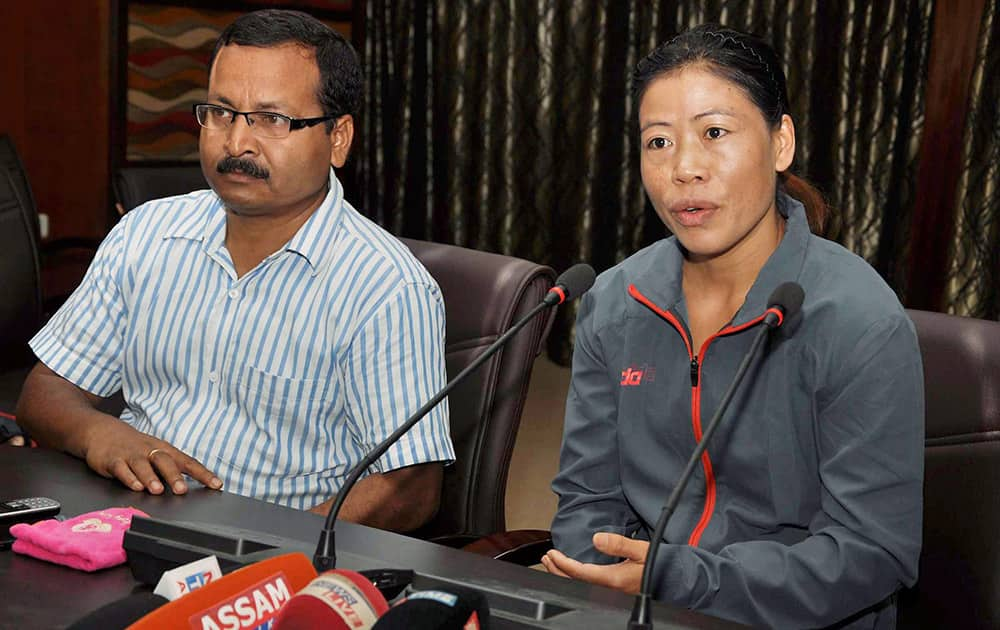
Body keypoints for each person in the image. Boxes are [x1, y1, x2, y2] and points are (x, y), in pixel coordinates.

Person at [541, 24, 923, 628]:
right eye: (658, 142)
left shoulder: (858, 319)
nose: (684, 168)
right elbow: (588, 497)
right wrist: (598, 581)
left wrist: (687, 581)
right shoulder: (617, 300)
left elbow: (873, 552)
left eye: (714, 133)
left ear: (780, 143)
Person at [14, 9, 454, 533]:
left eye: (273, 119)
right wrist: (100, 434)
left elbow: (411, 488)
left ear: (338, 138)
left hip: (273, 557)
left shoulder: (386, 289)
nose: (237, 143)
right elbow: (44, 394)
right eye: (221, 112)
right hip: (120, 525)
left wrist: (261, 553)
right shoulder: (147, 233)